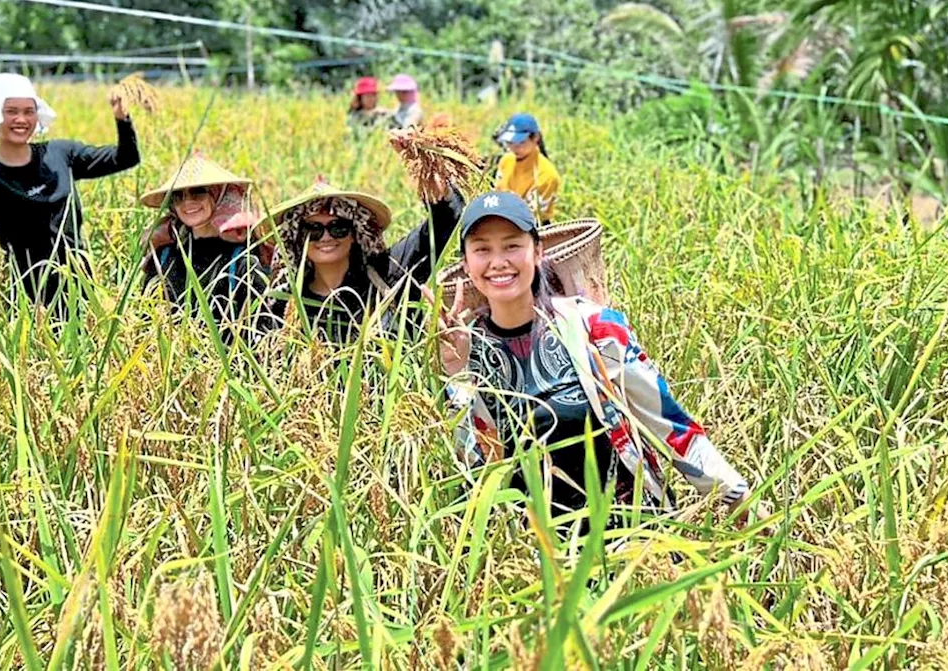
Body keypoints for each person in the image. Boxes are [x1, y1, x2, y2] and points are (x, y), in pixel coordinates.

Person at [434, 191, 753, 518]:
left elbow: (671, 425)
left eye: (512, 245)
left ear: (538, 252)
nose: (498, 261)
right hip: (533, 553)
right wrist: (456, 374)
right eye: (482, 249)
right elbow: (475, 470)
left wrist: (737, 500)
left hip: (632, 537)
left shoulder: (593, 327)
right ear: (466, 264)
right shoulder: (467, 352)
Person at [0, 72, 140, 309]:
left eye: (29, 111)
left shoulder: (61, 154)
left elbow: (125, 158)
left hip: (80, 288)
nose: (21, 119)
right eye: (11, 111)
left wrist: (122, 118)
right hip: (28, 299)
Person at [266, 177, 462, 343]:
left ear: (355, 233)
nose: (326, 237)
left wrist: (438, 193)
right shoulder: (285, 303)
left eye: (338, 227)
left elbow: (441, 225)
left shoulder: (387, 274)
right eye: (313, 230)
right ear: (298, 238)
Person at [140, 153, 267, 323]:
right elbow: (147, 320)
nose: (187, 201)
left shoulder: (242, 262)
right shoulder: (164, 258)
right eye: (178, 195)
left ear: (218, 195)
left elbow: (262, 330)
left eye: (198, 192)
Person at [494, 113, 560, 223]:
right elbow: (497, 192)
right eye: (510, 142)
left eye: (521, 142)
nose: (515, 148)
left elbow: (533, 217)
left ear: (535, 138)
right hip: (503, 219)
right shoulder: (506, 161)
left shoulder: (547, 176)